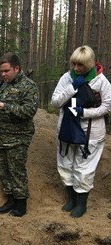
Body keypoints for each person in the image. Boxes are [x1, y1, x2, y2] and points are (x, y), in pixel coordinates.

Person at [51, 45, 111, 218]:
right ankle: (71, 199)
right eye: (74, 64)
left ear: (90, 64)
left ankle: (81, 203)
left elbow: (107, 106)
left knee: (84, 167)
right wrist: (72, 88)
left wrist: (84, 113)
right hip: (67, 129)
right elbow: (56, 102)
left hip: (91, 132)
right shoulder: (67, 78)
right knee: (65, 163)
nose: (76, 69)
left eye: (81, 66)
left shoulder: (101, 81)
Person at [0, 53, 38, 217]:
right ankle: (11, 199)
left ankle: (21, 204)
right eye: (1, 71)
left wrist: (6, 106)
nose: (3, 74)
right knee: (4, 170)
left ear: (16, 68)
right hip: (2, 137)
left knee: (17, 170)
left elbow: (29, 111)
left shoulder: (28, 86)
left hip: (18, 138)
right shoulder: (3, 85)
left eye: (6, 71)